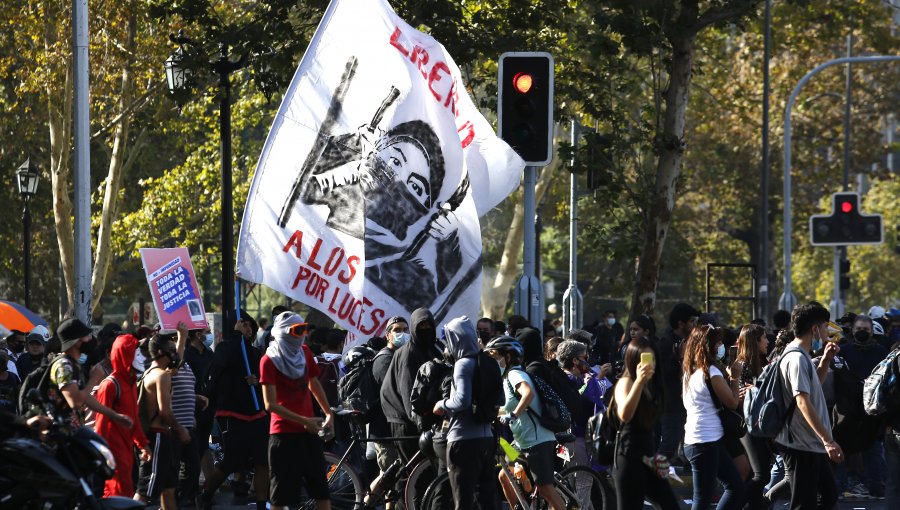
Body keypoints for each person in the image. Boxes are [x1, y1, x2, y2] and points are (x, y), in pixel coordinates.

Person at [260, 312, 333, 510]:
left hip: (308, 434)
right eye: (297, 330)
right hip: (283, 436)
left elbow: (314, 383)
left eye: (304, 329)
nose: (302, 334)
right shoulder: (269, 360)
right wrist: (304, 420)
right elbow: (270, 404)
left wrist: (329, 414)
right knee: (281, 498)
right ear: (284, 332)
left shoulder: (305, 353)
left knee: (322, 491)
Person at [197, 310, 269, 510]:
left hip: (256, 412)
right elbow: (218, 371)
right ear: (237, 325)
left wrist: (257, 380)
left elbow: (263, 376)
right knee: (231, 461)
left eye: (250, 326)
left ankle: (262, 504)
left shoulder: (253, 352)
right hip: (233, 412)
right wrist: (236, 337)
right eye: (244, 325)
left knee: (263, 460)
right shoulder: (225, 348)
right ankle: (206, 494)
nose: (248, 329)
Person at [777, 303, 843, 510]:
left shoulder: (803, 355)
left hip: (811, 442)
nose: (826, 333)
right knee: (804, 503)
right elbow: (802, 401)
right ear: (814, 329)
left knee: (829, 495)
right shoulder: (796, 357)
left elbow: (813, 389)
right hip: (800, 443)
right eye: (824, 327)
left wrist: (825, 360)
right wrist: (828, 440)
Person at [486, 336, 565, 510]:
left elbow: (528, 394)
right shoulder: (506, 378)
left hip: (537, 440)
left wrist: (513, 415)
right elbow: (507, 407)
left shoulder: (515, 374)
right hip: (522, 441)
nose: (493, 361)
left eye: (496, 356)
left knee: (546, 489)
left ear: (508, 357)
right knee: (504, 476)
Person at [433, 316, 497, 510]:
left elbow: (461, 400)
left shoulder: (462, 364)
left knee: (463, 501)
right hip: (487, 439)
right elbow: (499, 400)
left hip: (463, 440)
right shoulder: (488, 362)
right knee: (487, 500)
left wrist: (441, 403)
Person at [681, 324, 744, 510]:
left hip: (702, 439)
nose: (721, 346)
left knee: (734, 486)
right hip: (704, 441)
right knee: (703, 498)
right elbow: (732, 402)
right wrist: (735, 378)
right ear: (708, 346)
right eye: (718, 343)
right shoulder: (711, 373)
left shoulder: (690, 372)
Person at [612, 337, 678, 510]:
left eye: (653, 359)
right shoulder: (626, 382)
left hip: (649, 458)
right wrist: (639, 383)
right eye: (645, 359)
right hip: (629, 457)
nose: (651, 364)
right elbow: (625, 415)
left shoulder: (654, 385)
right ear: (634, 361)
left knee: (670, 505)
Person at [135, 333, 191, 509]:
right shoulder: (161, 376)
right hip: (157, 437)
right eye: (172, 351)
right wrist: (180, 429)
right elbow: (165, 412)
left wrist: (182, 337)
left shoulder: (149, 373)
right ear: (160, 352)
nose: (175, 354)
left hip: (157, 436)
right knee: (144, 491)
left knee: (168, 489)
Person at [93, 334, 151, 498]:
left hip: (126, 450)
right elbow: (101, 423)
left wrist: (142, 444)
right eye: (135, 352)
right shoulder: (110, 385)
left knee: (122, 493)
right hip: (112, 451)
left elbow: (135, 419)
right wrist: (104, 454)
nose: (139, 356)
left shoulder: (130, 383)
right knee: (117, 493)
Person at [556, 340, 611, 508]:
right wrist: (592, 384)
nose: (587, 361)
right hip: (578, 437)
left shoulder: (559, 377)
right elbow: (586, 406)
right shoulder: (575, 380)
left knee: (574, 483)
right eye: (584, 357)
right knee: (584, 482)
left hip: (565, 438)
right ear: (574, 360)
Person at [381, 308, 441, 459]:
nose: (425, 330)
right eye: (421, 326)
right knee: (414, 474)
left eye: (428, 326)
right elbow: (408, 390)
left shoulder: (433, 349)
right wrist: (421, 422)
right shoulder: (408, 353)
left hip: (423, 418)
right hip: (406, 421)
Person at [49, 318, 132, 429]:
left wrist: (115, 416)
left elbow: (86, 397)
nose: (90, 339)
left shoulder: (74, 364)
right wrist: (94, 379)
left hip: (73, 431)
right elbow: (75, 402)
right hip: (60, 432)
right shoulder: (64, 366)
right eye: (86, 336)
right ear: (76, 342)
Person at [729, 324, 772, 509]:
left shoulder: (761, 362)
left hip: (757, 424)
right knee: (761, 475)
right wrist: (755, 392)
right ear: (755, 341)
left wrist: (756, 391)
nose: (768, 341)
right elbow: (738, 398)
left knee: (758, 475)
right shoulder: (742, 365)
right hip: (746, 425)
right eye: (764, 338)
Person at [657, 302, 699, 461]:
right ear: (681, 323)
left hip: (690, 401)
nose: (695, 325)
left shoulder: (691, 341)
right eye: (692, 321)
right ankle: (653, 477)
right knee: (669, 446)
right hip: (673, 403)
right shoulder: (666, 344)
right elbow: (665, 374)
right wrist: (679, 358)